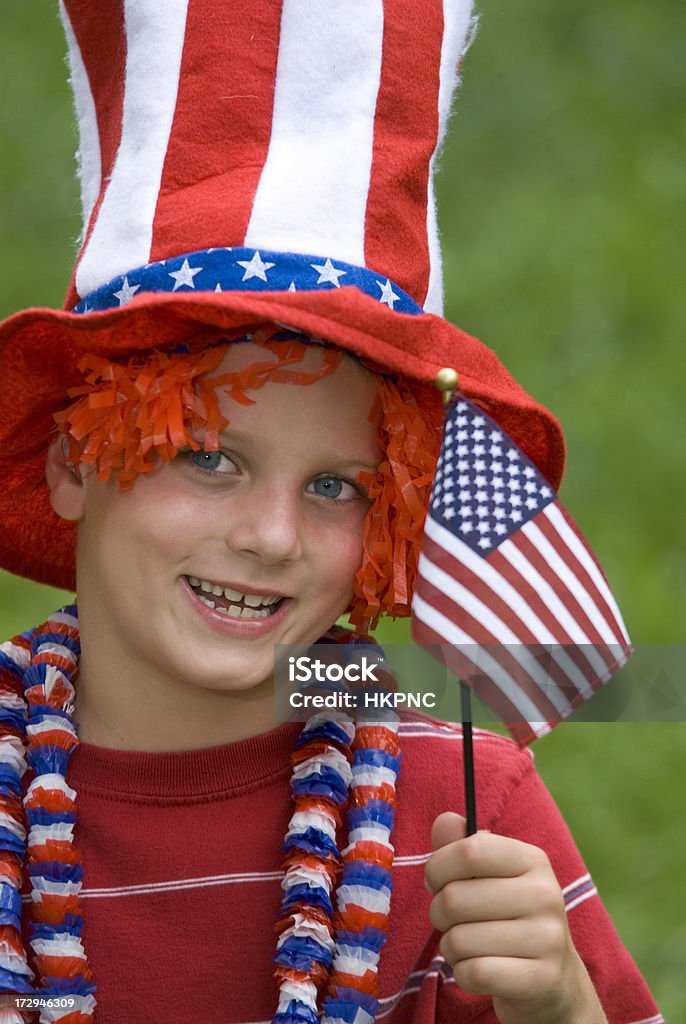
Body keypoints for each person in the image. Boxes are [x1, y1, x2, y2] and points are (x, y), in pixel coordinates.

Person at [0, 2, 663, 1023]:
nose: (270, 536)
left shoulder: (460, 810)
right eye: (209, 456)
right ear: (75, 462)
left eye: (335, 486)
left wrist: (563, 1004)